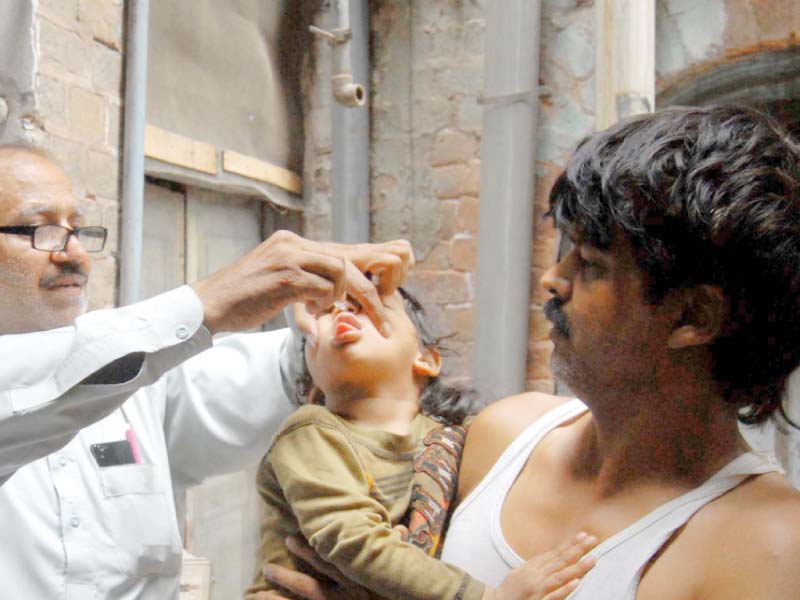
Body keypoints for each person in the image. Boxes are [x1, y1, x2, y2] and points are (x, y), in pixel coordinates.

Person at [265, 105, 800, 600]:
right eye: (566, 252)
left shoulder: (769, 546)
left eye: (590, 264)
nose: (552, 279)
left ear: (692, 318)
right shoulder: (501, 435)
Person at [0, 143, 414, 599]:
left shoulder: (136, 376)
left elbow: (268, 375)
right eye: (38, 230)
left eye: (77, 230)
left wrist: (330, 333)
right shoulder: (122, 353)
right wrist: (210, 302)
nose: (73, 252)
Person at [246, 289, 597, 600]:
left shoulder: (454, 438)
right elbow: (353, 542)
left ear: (426, 359)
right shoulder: (310, 433)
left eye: (370, 303)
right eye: (323, 314)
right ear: (313, 387)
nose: (342, 311)